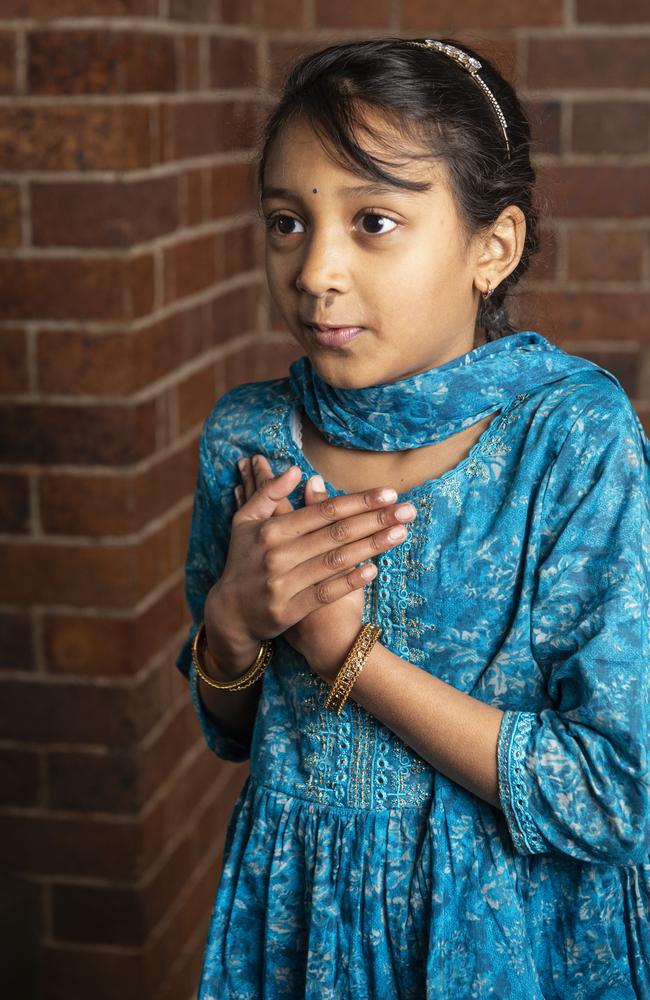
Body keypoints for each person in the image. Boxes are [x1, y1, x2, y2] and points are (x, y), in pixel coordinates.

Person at [176, 36, 650, 999]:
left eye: (374, 220)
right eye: (285, 222)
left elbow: (609, 797)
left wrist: (350, 654)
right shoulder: (249, 435)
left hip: (511, 933)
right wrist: (229, 628)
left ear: (494, 247)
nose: (316, 272)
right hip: (299, 920)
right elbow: (231, 729)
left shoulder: (569, 438)